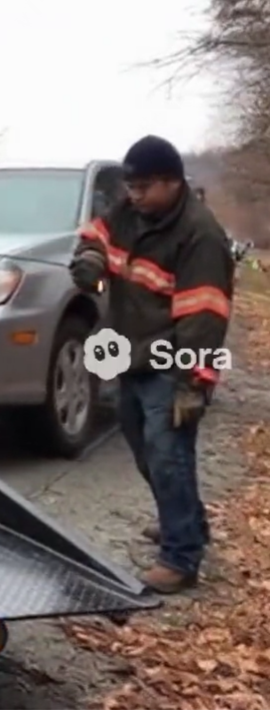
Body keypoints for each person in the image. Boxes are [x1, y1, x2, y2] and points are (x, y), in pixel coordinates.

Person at [70, 135, 235, 594]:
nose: (134, 195)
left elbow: (204, 316)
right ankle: (185, 520)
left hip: (171, 363)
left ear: (172, 182)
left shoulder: (200, 235)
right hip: (131, 354)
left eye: (143, 187)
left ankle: (181, 557)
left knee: (168, 456)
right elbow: (97, 236)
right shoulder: (129, 211)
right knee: (145, 450)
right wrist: (89, 261)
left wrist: (194, 383)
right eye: (131, 186)